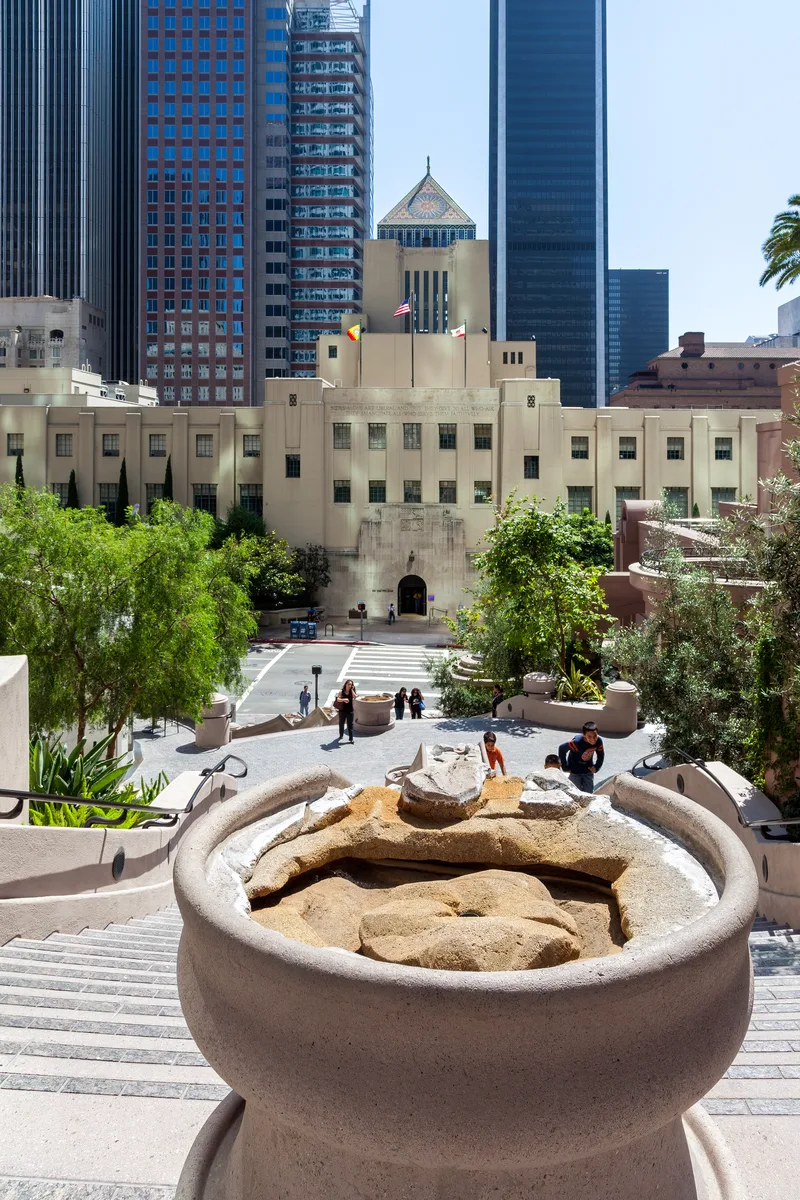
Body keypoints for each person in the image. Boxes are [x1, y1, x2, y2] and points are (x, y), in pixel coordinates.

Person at [559, 722, 605, 793]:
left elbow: (600, 754)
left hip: (588, 770)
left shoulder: (598, 741)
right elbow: (562, 749)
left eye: (595, 736)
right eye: (589, 736)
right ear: (584, 735)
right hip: (574, 771)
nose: (593, 739)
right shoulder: (576, 743)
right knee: (575, 793)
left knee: (589, 793)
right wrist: (565, 767)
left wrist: (596, 767)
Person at [335, 679, 357, 743]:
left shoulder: (351, 692)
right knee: (341, 724)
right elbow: (338, 699)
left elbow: (355, 697)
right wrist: (344, 699)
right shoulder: (341, 692)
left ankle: (351, 738)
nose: (350, 686)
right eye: (348, 684)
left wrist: (352, 690)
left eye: (351, 684)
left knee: (350, 725)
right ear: (346, 684)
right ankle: (341, 735)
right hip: (342, 711)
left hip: (350, 711)